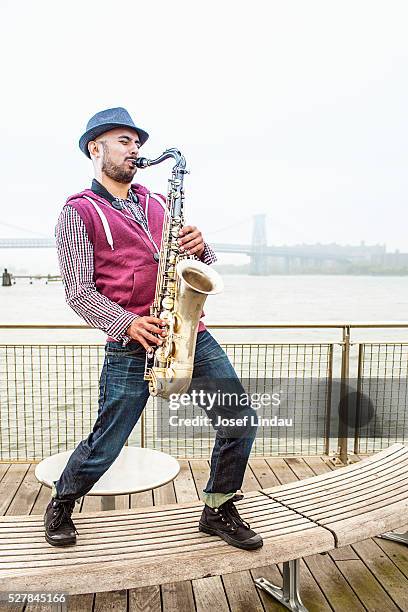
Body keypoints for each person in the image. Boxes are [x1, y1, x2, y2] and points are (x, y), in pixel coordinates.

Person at [44, 107, 262, 551]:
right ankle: (62, 502)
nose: (135, 149)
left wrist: (203, 248)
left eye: (137, 141)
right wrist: (127, 323)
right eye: (124, 141)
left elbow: (196, 266)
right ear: (95, 148)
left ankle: (218, 508)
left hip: (189, 333)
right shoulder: (77, 212)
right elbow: (79, 292)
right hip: (131, 345)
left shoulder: (158, 201)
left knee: (239, 420)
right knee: (107, 443)